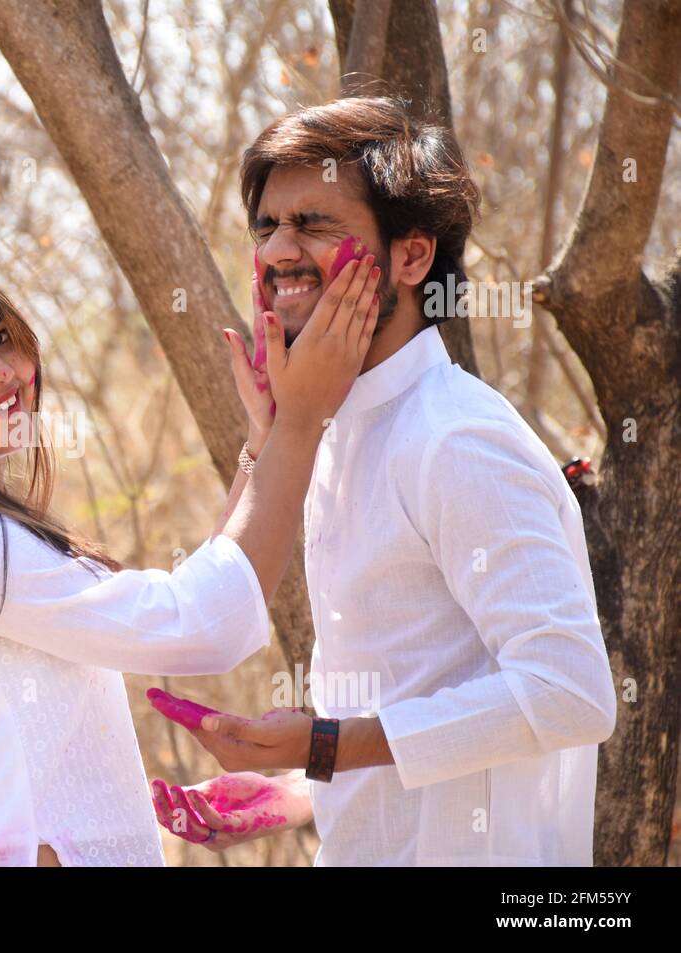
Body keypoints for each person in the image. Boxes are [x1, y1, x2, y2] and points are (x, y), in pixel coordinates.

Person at [0, 248, 379, 865]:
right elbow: (203, 622)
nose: (2, 372)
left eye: (0, 339)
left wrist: (262, 444)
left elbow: (193, 597)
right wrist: (301, 423)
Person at [150, 96, 616, 866]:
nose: (276, 253)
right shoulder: (332, 433)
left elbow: (570, 693)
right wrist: (302, 791)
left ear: (411, 256)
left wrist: (327, 746)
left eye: (314, 223)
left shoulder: (456, 438)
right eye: (266, 226)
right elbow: (417, 702)